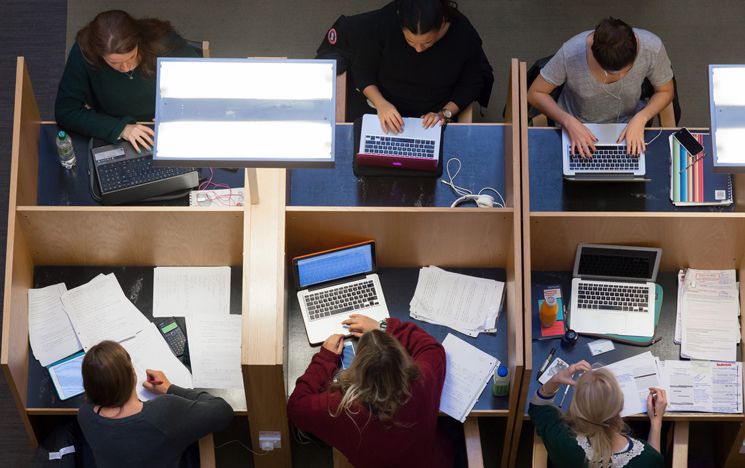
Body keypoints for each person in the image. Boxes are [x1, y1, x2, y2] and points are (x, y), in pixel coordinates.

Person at [287, 314, 453, 467]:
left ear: (358, 370)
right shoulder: (424, 380)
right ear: (403, 360)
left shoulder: (340, 410)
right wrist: (384, 327)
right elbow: (433, 348)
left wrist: (325, 358)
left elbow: (296, 407)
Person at [317, 0, 493, 133]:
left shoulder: (463, 33)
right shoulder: (385, 22)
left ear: (442, 25)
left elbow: (472, 82)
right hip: (383, 106)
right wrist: (381, 104)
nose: (418, 49)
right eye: (410, 41)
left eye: (427, 43)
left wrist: (444, 113)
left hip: (431, 113)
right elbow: (362, 69)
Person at [527, 17, 675, 157]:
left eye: (626, 71)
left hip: (630, 125)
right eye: (610, 73)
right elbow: (535, 93)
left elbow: (666, 91)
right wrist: (568, 122)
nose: (619, 78)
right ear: (591, 48)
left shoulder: (652, 47)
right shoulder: (571, 54)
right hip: (577, 126)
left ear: (636, 42)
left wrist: (642, 118)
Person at [55, 10, 200, 150]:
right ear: (98, 53)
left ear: (139, 42)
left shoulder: (162, 39)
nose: (125, 68)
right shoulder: (84, 53)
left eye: (131, 57)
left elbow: (200, 76)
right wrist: (120, 128)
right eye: (114, 63)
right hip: (118, 124)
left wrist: (178, 108)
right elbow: (66, 111)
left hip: (171, 120)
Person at [78, 340, 233, 467]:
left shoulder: (85, 415)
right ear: (133, 374)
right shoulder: (164, 412)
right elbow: (223, 411)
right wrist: (169, 388)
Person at [529, 360, 667, 468]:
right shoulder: (647, 459)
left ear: (578, 410)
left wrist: (556, 379)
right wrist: (656, 423)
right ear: (620, 405)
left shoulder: (563, 442)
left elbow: (537, 407)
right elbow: (652, 461)